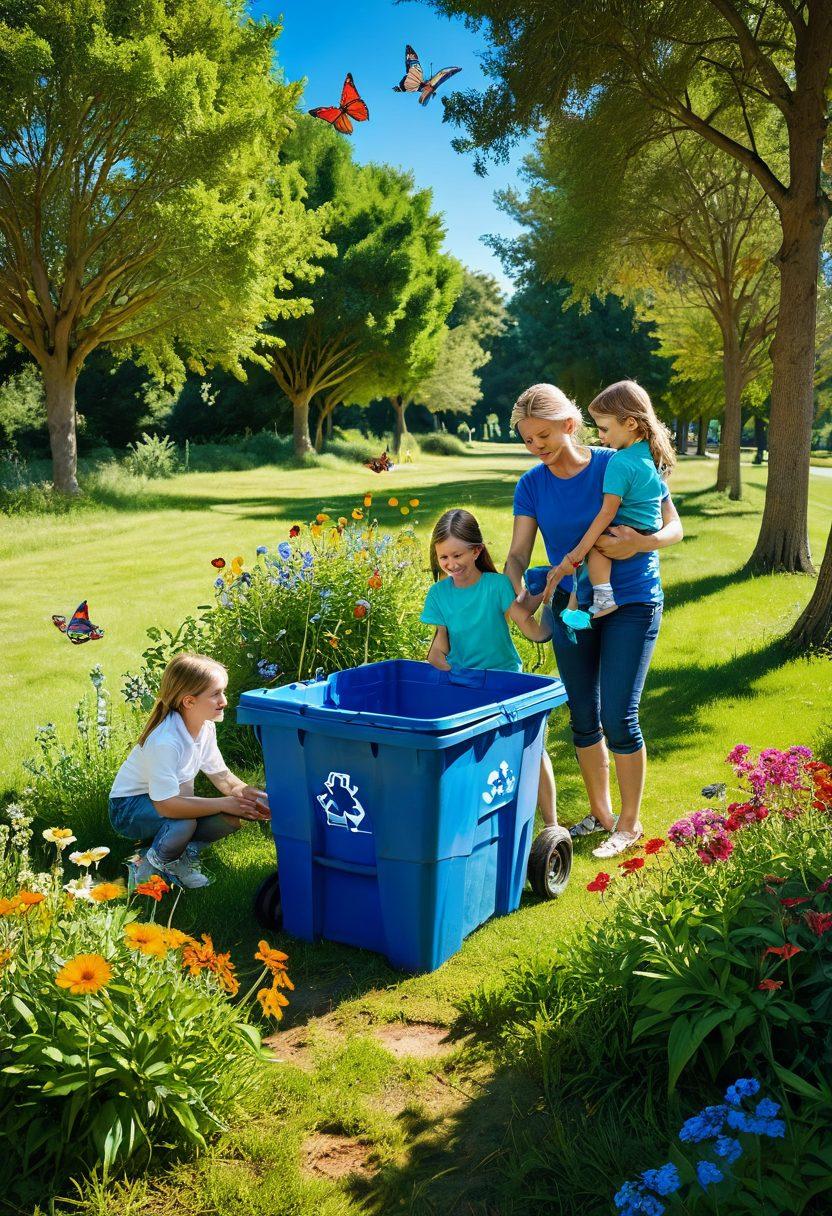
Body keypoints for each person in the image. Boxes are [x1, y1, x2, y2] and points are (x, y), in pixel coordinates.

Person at [504, 383, 683, 858]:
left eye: (542, 435)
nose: (536, 447)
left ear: (569, 425)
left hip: (631, 602)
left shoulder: (616, 460)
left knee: (618, 716)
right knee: (583, 717)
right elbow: (519, 554)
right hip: (570, 607)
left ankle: (628, 824)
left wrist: (639, 544)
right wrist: (517, 593)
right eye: (527, 440)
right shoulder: (532, 485)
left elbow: (674, 526)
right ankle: (601, 815)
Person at [421, 508, 558, 827]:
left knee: (531, 751)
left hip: (505, 683)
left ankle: (551, 825)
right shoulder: (439, 594)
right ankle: (483, 821)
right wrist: (449, 671)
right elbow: (438, 649)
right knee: (473, 756)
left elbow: (532, 629)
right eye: (443, 558)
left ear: (477, 550)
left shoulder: (496, 586)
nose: (451, 564)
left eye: (458, 555)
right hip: (466, 687)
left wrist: (549, 604)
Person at [109, 652, 269, 888]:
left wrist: (252, 796)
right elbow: (167, 806)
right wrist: (224, 802)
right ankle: (145, 869)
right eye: (216, 694)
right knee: (185, 822)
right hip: (128, 808)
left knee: (236, 814)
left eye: (222, 692)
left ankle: (180, 853)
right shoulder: (166, 741)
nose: (224, 701)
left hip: (165, 800)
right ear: (189, 701)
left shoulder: (204, 728)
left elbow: (222, 776)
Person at [546, 380, 676, 624]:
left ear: (630, 423)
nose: (600, 437)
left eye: (604, 429)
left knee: (594, 548)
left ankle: (604, 599)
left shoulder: (620, 461)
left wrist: (576, 554)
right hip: (645, 529)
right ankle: (575, 605)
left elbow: (607, 513)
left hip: (625, 530)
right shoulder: (653, 456)